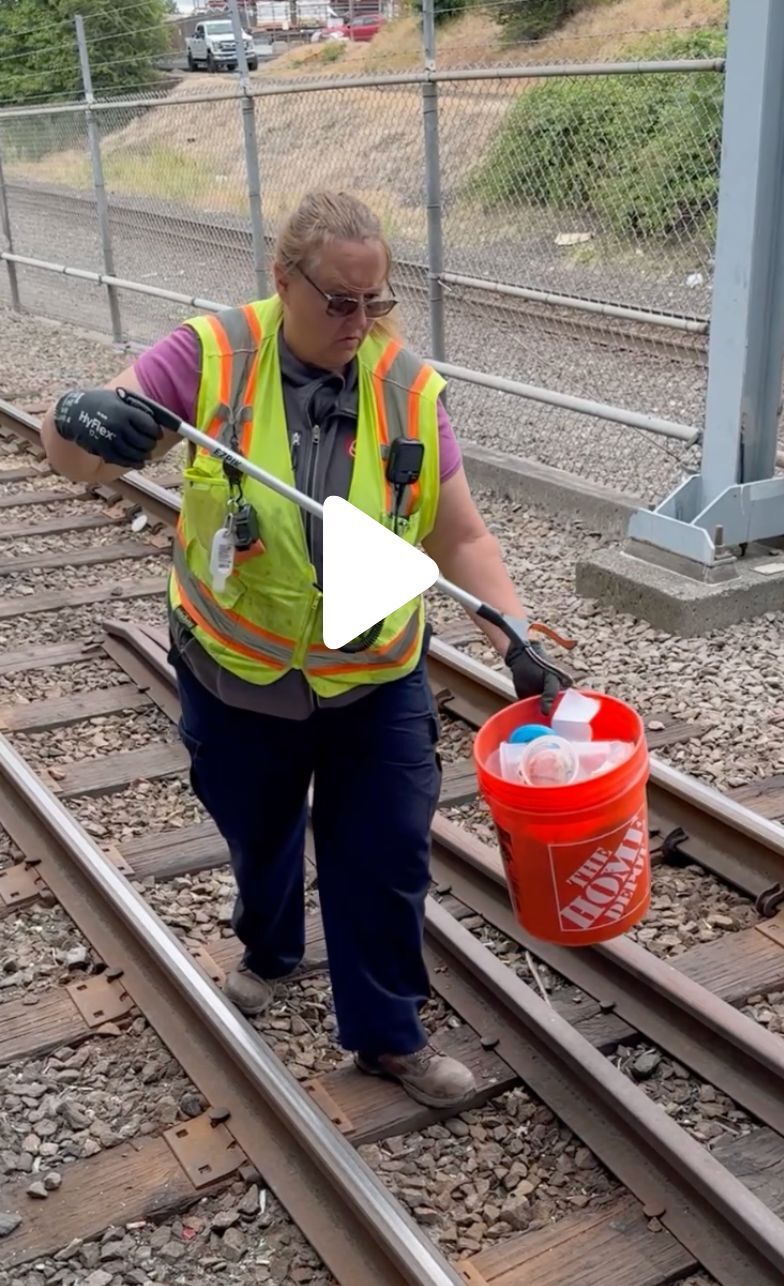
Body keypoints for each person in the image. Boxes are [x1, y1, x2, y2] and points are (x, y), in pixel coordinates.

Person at [41, 189, 568, 1111]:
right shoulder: (208, 359)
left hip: (376, 677)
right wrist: (80, 428)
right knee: (259, 833)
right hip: (237, 674)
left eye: (377, 303)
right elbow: (83, 455)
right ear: (284, 280)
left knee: (387, 851)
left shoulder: (407, 389)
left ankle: (388, 1036)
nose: (359, 324)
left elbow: (462, 537)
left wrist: (511, 630)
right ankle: (270, 945)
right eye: (339, 302)